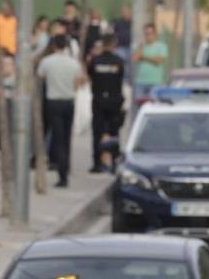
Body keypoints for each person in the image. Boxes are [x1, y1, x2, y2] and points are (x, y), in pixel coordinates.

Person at [37, 36, 85, 187]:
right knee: (66, 137)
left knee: (57, 138)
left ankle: (62, 173)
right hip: (69, 101)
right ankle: (66, 167)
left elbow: (41, 76)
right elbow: (79, 81)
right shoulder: (73, 63)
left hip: (53, 101)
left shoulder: (47, 61)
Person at [86, 38, 127, 173]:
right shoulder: (119, 61)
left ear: (102, 45)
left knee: (98, 132)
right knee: (113, 132)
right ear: (114, 45)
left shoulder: (95, 60)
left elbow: (90, 74)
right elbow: (121, 76)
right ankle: (114, 162)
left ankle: (97, 163)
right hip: (115, 100)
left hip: (98, 100)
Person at [133, 23, 169, 106]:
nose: (147, 36)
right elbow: (135, 58)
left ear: (155, 34)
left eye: (149, 33)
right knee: (140, 106)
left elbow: (158, 61)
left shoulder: (161, 46)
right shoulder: (141, 46)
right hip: (141, 82)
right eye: (145, 34)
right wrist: (140, 48)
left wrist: (144, 56)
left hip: (155, 82)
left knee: (155, 105)